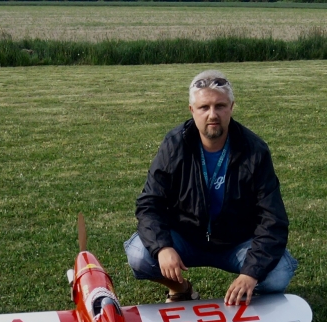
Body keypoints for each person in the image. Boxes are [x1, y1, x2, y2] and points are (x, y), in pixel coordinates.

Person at [124, 70, 298, 306]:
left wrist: (250, 274)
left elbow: (273, 219)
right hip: (185, 237)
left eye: (220, 106)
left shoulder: (255, 151)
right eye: (204, 107)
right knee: (139, 254)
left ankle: (244, 297)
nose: (212, 114)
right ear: (192, 111)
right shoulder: (175, 146)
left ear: (232, 107)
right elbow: (149, 203)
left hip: (236, 243)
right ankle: (180, 289)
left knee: (277, 275)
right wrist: (163, 247)